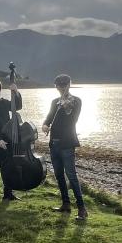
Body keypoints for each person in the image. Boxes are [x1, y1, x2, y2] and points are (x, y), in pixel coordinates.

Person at [42, 74, 87, 220]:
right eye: (59, 85)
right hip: (54, 144)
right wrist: (45, 125)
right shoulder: (55, 102)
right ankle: (66, 204)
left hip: (67, 144)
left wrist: (67, 109)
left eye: (64, 85)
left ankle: (82, 209)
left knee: (71, 175)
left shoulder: (76, 101)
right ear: (56, 86)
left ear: (69, 84)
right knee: (59, 175)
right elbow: (48, 118)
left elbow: (73, 121)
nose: (62, 88)